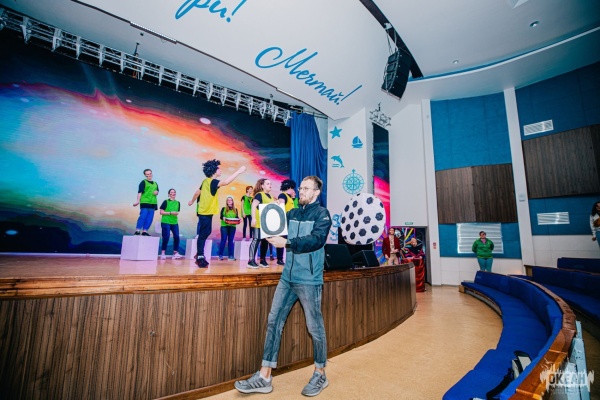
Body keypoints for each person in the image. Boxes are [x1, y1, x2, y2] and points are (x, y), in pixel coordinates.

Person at [234, 176, 332, 397]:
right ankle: (265, 376)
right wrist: (267, 215)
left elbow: (316, 240)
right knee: (273, 322)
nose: (301, 191)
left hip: (309, 279)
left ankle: (320, 373)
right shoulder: (293, 213)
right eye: (301, 188)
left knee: (314, 328)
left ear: (316, 192)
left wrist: (286, 242)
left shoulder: (322, 214)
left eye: (306, 188)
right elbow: (274, 224)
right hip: (287, 278)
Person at [188, 160, 245, 268]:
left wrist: (192, 201)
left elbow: (197, 192)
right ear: (214, 171)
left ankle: (199, 253)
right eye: (219, 168)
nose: (220, 170)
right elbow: (226, 182)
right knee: (203, 234)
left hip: (205, 212)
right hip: (205, 212)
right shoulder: (213, 182)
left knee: (205, 232)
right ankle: (200, 256)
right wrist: (238, 171)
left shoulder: (205, 181)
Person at [247, 178, 274, 268]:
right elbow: (253, 206)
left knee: (265, 241)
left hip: (266, 223)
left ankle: (262, 260)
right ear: (262, 186)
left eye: (270, 183)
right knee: (256, 239)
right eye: (268, 184)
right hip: (258, 221)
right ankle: (251, 261)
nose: (270, 185)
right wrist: (253, 218)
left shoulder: (271, 196)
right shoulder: (259, 195)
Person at [276, 179, 297, 266]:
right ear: (289, 187)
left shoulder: (290, 197)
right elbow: (281, 207)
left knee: (288, 240)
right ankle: (279, 258)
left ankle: (288, 257)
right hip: (283, 222)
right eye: (293, 188)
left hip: (290, 222)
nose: (293, 190)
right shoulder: (282, 195)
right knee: (282, 239)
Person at [132, 168, 159, 236]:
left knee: (150, 218)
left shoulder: (155, 183)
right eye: (147, 174)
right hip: (145, 202)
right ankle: (138, 230)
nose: (149, 175)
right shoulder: (143, 182)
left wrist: (156, 192)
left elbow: (157, 191)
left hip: (153, 203)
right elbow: (140, 192)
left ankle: (145, 231)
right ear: (145, 175)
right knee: (143, 216)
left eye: (150, 173)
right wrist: (137, 201)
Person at [158, 189, 182, 260]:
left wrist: (175, 213)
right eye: (171, 192)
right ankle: (163, 253)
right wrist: (170, 213)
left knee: (177, 236)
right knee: (166, 236)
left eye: (174, 192)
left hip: (174, 222)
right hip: (166, 221)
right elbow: (161, 212)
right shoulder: (165, 201)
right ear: (169, 194)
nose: (173, 193)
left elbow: (177, 212)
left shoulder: (178, 203)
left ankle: (175, 253)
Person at [219, 195, 239, 260]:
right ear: (226, 202)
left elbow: (236, 217)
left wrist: (239, 220)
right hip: (224, 226)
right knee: (223, 240)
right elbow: (221, 217)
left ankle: (231, 256)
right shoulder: (223, 209)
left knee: (231, 241)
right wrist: (223, 218)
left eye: (230, 200)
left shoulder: (235, 210)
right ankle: (220, 255)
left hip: (232, 227)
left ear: (232, 201)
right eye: (228, 200)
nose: (229, 201)